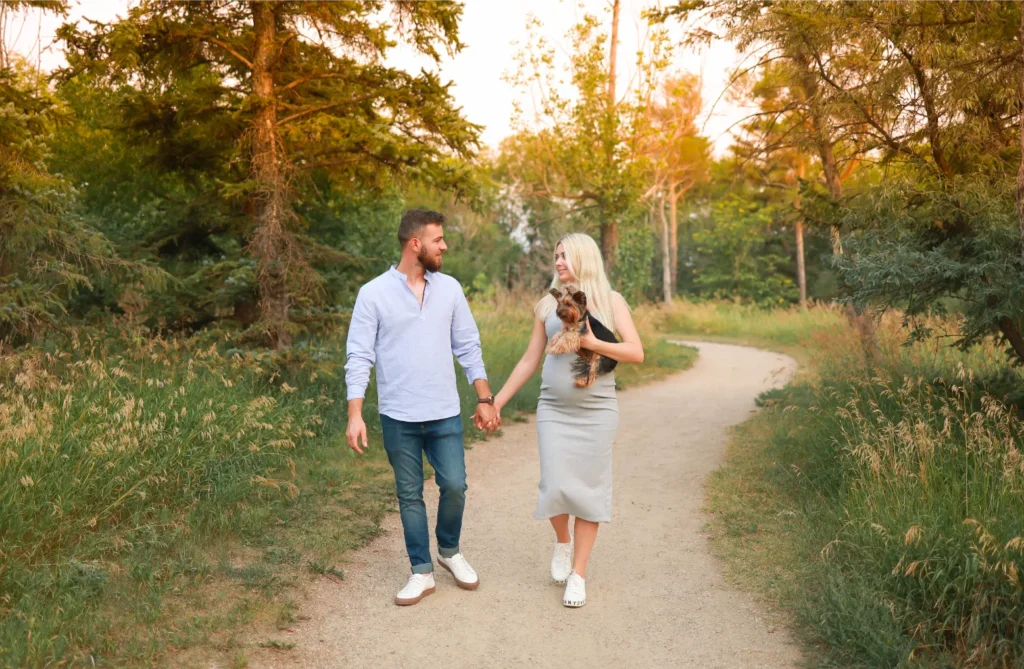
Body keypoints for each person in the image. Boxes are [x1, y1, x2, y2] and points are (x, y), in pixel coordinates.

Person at [344, 209, 500, 606]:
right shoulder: (373, 294)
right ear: (416, 244)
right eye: (438, 240)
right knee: (409, 494)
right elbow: (359, 356)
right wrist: (355, 414)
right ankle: (421, 571)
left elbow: (468, 346)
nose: (444, 246)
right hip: (398, 415)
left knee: (455, 485)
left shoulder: (450, 289)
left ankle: (449, 550)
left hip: (444, 411)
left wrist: (484, 398)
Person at [493, 233, 644, 608]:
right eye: (556, 255)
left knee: (589, 491)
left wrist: (592, 343)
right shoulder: (547, 305)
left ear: (584, 258)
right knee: (555, 485)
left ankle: (578, 575)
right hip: (554, 410)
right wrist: (496, 402)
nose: (558, 261)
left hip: (597, 412)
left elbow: (635, 352)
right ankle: (563, 541)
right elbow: (530, 359)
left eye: (565, 255)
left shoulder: (610, 301)